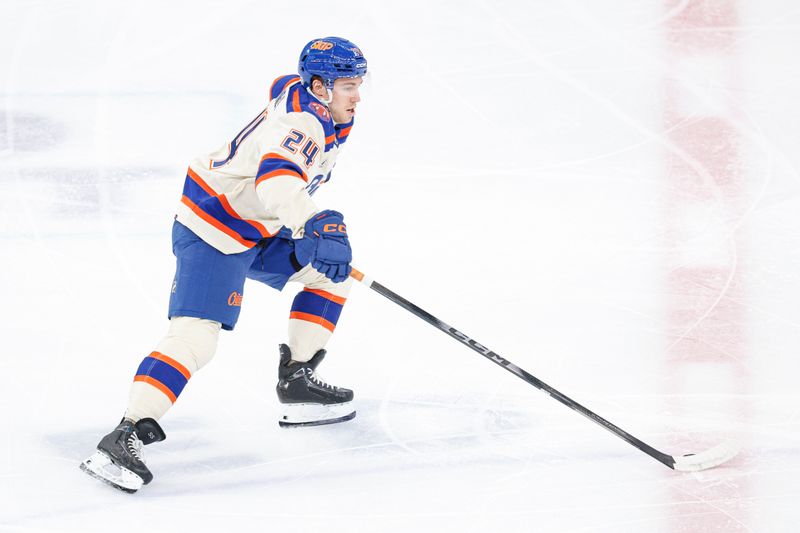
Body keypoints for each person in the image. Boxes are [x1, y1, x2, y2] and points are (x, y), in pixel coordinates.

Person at [80, 37, 368, 493]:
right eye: (348, 85)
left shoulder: (311, 99)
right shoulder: (304, 123)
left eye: (359, 84)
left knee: (330, 277)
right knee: (196, 337)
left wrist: (306, 228)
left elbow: (281, 89)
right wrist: (315, 221)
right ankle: (124, 434)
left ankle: (295, 381)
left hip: (254, 226)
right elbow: (277, 179)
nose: (357, 95)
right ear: (319, 86)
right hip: (214, 228)